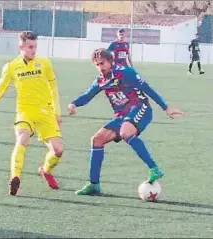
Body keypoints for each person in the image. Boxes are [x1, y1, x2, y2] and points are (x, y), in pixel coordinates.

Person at [68, 48, 183, 196]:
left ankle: (154, 169)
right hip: (121, 115)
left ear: (110, 61)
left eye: (102, 63)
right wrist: (74, 104)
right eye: (96, 65)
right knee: (97, 140)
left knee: (125, 132)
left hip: (140, 107)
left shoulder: (125, 72)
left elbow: (146, 88)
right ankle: (94, 184)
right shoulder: (101, 80)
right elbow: (87, 95)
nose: (100, 67)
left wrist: (166, 108)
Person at [0, 31, 63, 196]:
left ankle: (45, 170)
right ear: (21, 46)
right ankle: (14, 177)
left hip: (45, 112)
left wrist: (57, 112)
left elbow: (54, 88)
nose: (33, 50)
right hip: (25, 111)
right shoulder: (11, 67)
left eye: (35, 46)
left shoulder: (44, 63)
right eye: (30, 47)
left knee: (58, 151)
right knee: (22, 139)